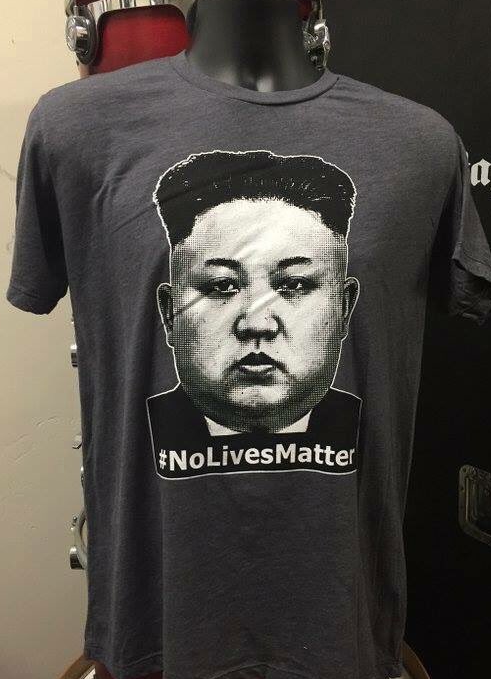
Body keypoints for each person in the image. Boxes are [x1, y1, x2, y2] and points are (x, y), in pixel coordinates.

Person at [146, 149, 363, 479]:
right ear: (169, 313)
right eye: (222, 285)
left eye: (295, 284)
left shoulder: (374, 428)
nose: (257, 324)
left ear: (344, 308)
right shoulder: (140, 433)